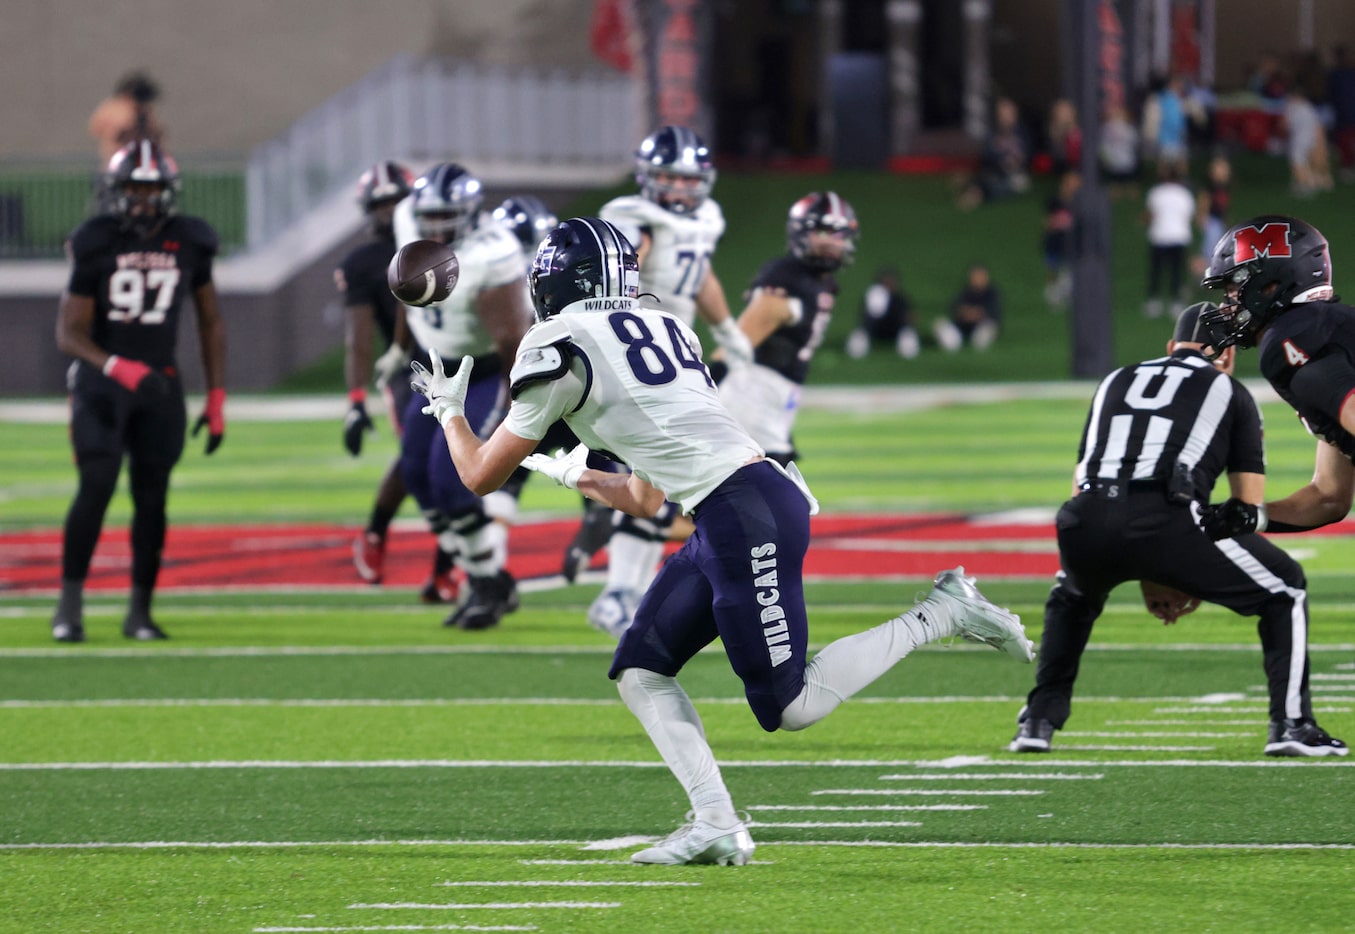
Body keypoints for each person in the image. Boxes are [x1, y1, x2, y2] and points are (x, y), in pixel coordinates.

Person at [411, 215, 1035, 865]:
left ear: (557, 283)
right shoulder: (667, 327)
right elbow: (649, 495)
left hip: (743, 513)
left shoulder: (555, 341)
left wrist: (449, 412)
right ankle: (714, 822)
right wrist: (578, 472)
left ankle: (940, 613)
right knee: (640, 669)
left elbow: (480, 474)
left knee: (787, 705)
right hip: (732, 507)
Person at [1009, 302, 1346, 758]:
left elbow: (1082, 481)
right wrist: (1169, 565)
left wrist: (1140, 560)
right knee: (1285, 590)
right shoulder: (1228, 390)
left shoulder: (1116, 379)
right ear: (1227, 356)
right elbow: (1243, 509)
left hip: (1083, 516)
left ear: (1171, 347)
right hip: (1165, 517)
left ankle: (1038, 719)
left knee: (1071, 596)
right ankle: (1291, 724)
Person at [578, 126, 756, 634]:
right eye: (667, 179)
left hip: (670, 353)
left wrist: (725, 327)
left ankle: (623, 592)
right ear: (647, 179)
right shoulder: (633, 218)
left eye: (686, 179)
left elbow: (699, 274)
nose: (678, 190)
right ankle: (617, 591)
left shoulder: (707, 217)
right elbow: (623, 268)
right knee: (653, 472)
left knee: (659, 476)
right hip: (636, 355)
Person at [50, 140, 226, 643]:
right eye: (133, 188)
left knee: (153, 499)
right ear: (116, 191)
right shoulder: (96, 239)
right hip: (102, 386)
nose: (143, 198)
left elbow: (210, 322)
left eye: (151, 188)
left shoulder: (191, 240)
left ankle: (140, 612)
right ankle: (69, 608)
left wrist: (216, 398)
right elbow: (68, 333)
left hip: (160, 387)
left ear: (168, 191)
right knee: (97, 486)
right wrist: (114, 365)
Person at [390, 162, 534, 629]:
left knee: (453, 480)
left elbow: (514, 340)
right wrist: (398, 347)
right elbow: (405, 286)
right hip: (433, 367)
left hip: (483, 372)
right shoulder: (406, 220)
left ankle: (488, 585)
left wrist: (515, 408)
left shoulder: (493, 254)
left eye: (447, 215)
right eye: (430, 215)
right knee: (416, 473)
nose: (436, 225)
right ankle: (487, 576)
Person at [340, 162, 460, 604]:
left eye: (397, 202)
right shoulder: (363, 262)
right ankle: (376, 531)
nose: (390, 212)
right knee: (420, 458)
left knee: (455, 462)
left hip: (460, 362)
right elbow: (357, 337)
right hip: (408, 369)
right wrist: (355, 401)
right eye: (382, 204)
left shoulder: (452, 246)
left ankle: (448, 566)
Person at [1197, 215, 1355, 543]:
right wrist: (1250, 516)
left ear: (1270, 286)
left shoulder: (1290, 340)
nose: (1227, 305)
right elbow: (1329, 495)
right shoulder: (1319, 331)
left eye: (1232, 290)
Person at [721, 191, 859, 465]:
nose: (832, 242)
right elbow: (738, 342)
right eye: (822, 232)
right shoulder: (787, 277)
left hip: (775, 396)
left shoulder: (822, 282)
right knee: (778, 496)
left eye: (839, 234)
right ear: (801, 233)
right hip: (752, 392)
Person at [957, 97, 1030, 211]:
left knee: (1013, 184)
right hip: (995, 172)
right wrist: (1002, 160)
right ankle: (973, 187)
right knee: (985, 178)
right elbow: (986, 155)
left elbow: (1028, 154)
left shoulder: (1023, 133)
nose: (1005, 118)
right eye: (1002, 114)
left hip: (1015, 177)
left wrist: (1016, 161)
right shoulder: (992, 133)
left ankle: (977, 193)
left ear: (1015, 115)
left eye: (1008, 114)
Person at [1142, 163, 1195, 319]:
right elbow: (1188, 215)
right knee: (1176, 272)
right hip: (1179, 236)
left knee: (1156, 270)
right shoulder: (1184, 194)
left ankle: (1154, 301)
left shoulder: (1156, 193)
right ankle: (1176, 302)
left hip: (1159, 236)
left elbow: (1151, 214)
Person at [88, 71, 164, 166]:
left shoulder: (146, 112)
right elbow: (108, 132)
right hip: (115, 163)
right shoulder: (112, 109)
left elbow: (158, 136)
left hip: (142, 165)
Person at [846, 264, 916, 360]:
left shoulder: (900, 299)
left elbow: (911, 317)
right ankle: (858, 347)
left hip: (896, 329)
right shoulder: (873, 296)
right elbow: (866, 317)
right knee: (861, 333)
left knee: (907, 333)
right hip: (875, 329)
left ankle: (907, 348)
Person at [934, 264, 1002, 351]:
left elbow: (992, 312)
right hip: (962, 327)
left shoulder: (992, 294)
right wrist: (966, 313)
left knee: (986, 331)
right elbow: (955, 308)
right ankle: (952, 344)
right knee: (939, 324)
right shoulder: (965, 292)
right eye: (974, 277)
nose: (977, 280)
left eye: (980, 276)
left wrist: (975, 314)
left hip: (982, 326)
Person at [1042, 171, 1079, 309]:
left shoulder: (1079, 201)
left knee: (1070, 268)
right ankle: (1052, 291)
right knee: (1053, 267)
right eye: (1070, 182)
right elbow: (1048, 221)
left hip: (1071, 241)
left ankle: (1069, 292)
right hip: (1055, 239)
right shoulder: (1055, 200)